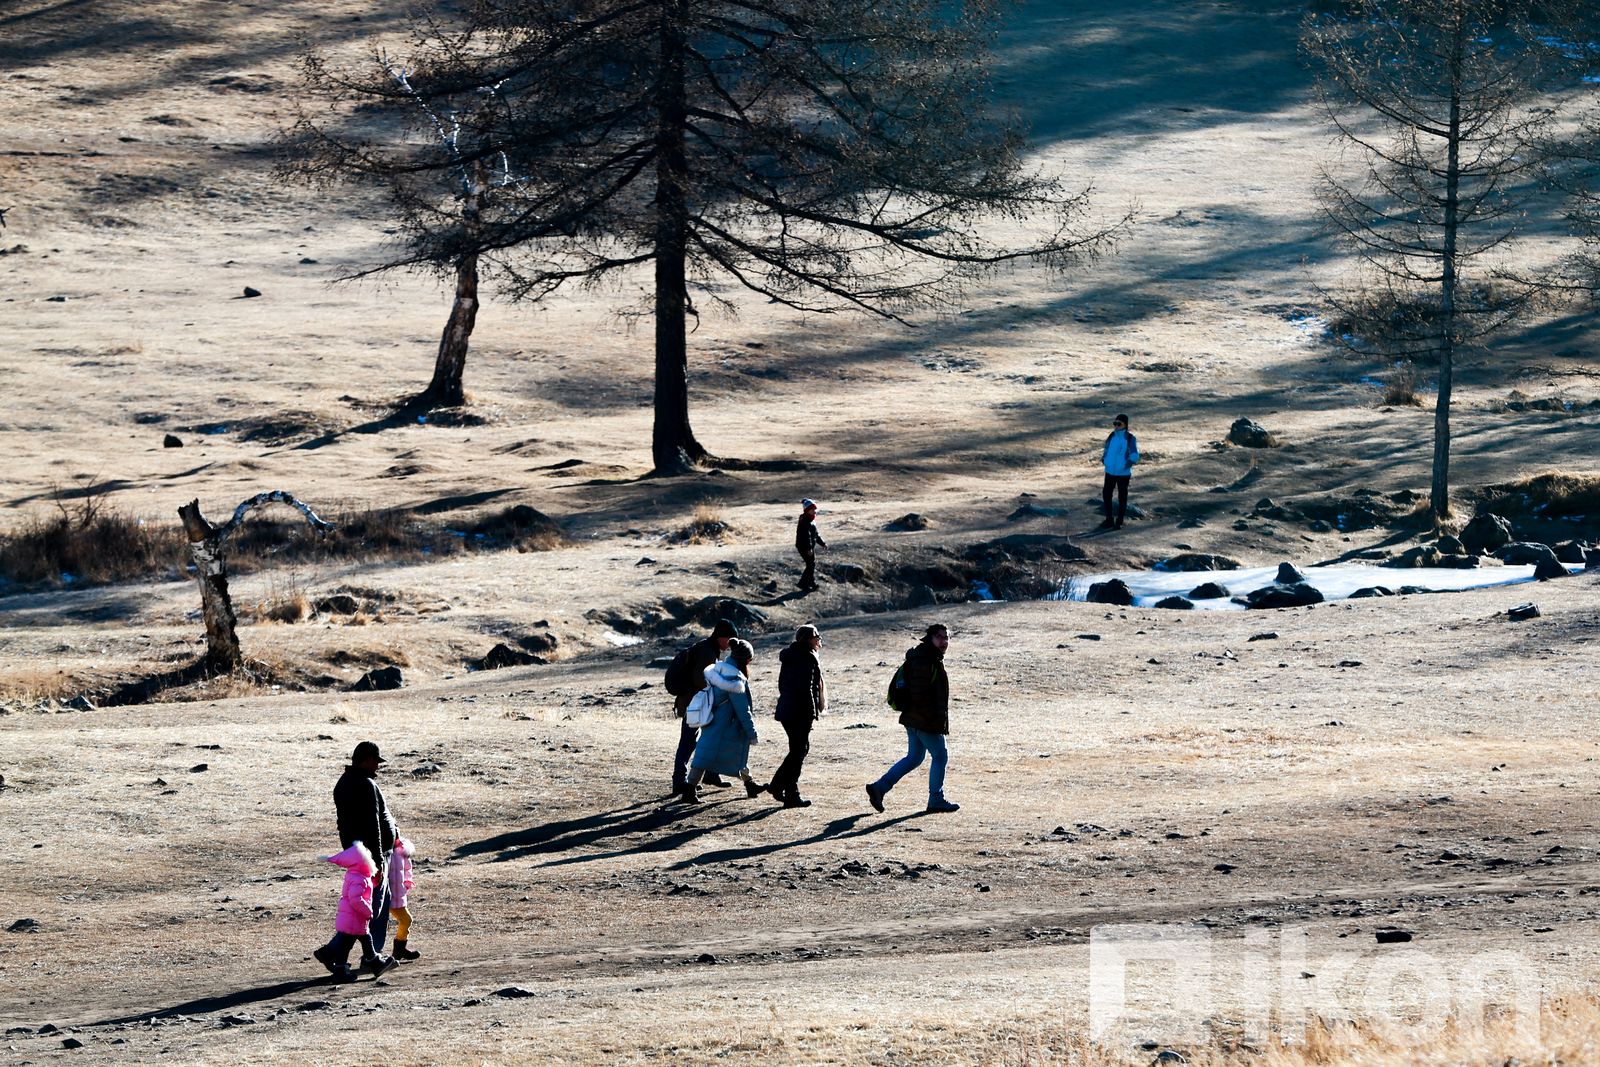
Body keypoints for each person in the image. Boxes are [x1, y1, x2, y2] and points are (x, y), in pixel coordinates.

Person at [312, 741, 398, 980]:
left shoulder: (343, 783)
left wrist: (352, 853)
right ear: (367, 759)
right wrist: (378, 860)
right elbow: (373, 825)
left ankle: (344, 954)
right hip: (372, 856)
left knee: (361, 908)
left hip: (358, 854)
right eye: (375, 762)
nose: (377, 768)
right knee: (370, 909)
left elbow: (345, 825)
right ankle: (361, 955)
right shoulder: (365, 784)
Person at [866, 624, 959, 814]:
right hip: (922, 719)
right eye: (939, 637)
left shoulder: (926, 657)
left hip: (913, 718)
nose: (944, 641)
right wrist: (931, 721)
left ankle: (879, 788)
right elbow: (919, 694)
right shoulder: (925, 660)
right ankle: (936, 799)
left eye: (946, 637)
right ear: (930, 638)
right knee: (941, 756)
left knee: (915, 757)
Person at [680, 639, 766, 803]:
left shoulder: (719, 670)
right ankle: (689, 790)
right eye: (750, 658)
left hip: (715, 721)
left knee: (731, 753)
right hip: (725, 726)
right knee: (705, 757)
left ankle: (750, 784)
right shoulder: (735, 680)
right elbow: (743, 710)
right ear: (745, 659)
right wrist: (752, 732)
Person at [667, 620, 738, 794]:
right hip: (695, 705)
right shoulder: (707, 652)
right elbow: (701, 679)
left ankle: (709, 774)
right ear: (721, 637)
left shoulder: (708, 648)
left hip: (696, 703)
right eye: (729, 639)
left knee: (707, 738)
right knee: (688, 742)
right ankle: (679, 781)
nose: (730, 644)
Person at [767, 624, 825, 808]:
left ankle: (790, 793)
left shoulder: (790, 656)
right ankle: (779, 786)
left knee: (798, 750)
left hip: (787, 709)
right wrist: (812, 712)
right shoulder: (807, 657)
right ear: (807, 639)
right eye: (816, 637)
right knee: (799, 750)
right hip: (800, 711)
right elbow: (807, 688)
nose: (819, 640)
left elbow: (783, 685)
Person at [319, 842, 395, 981]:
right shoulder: (360, 878)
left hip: (351, 918)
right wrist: (368, 911)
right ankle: (370, 963)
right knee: (359, 941)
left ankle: (351, 966)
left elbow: (363, 890)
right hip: (355, 917)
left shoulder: (357, 875)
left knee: (354, 942)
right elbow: (356, 899)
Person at [1100, 413, 1140, 530]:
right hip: (1110, 472)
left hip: (1123, 474)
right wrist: (1105, 460)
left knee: (1122, 497)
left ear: (1125, 425)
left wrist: (1126, 465)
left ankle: (1120, 521)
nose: (1116, 426)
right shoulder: (1111, 436)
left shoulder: (1130, 438)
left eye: (1119, 424)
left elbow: (1134, 455)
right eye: (1115, 423)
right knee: (1106, 495)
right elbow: (1106, 450)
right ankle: (1109, 519)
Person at [388, 836, 420, 962]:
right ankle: (370, 955)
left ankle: (399, 949)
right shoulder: (382, 850)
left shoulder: (402, 849)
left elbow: (407, 868)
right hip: (384, 896)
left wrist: (407, 882)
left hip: (398, 896)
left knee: (406, 920)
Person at [795, 498, 828, 592]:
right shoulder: (805, 521)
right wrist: (809, 548)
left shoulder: (811, 520)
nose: (815, 511)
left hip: (809, 547)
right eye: (812, 509)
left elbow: (815, 535)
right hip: (803, 546)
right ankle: (805, 583)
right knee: (810, 564)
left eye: (815, 509)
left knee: (811, 564)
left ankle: (808, 583)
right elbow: (806, 536)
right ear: (807, 510)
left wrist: (822, 543)